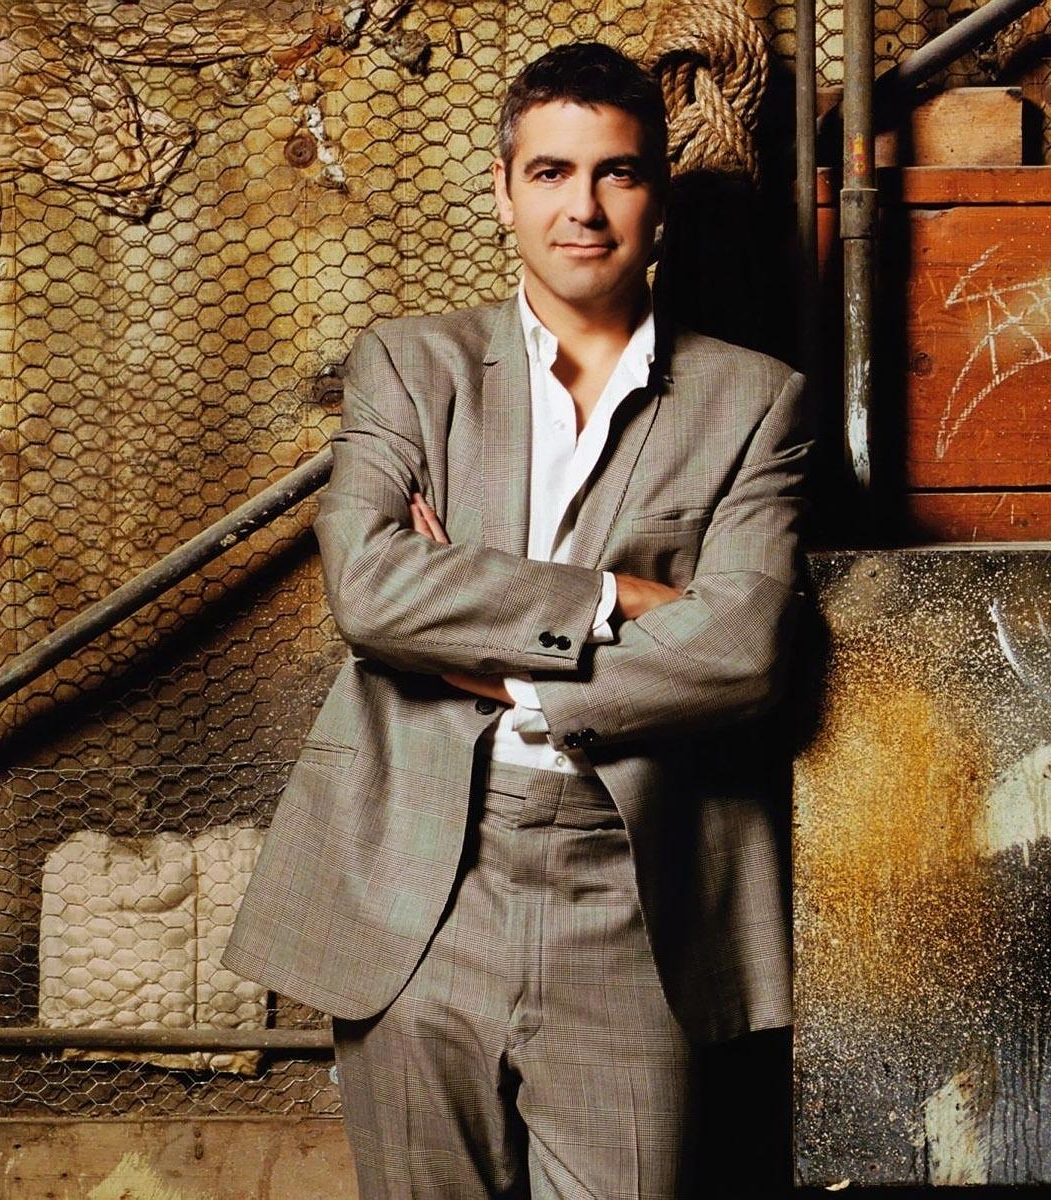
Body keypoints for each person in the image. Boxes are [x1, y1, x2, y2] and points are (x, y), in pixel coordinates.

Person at [224, 41, 812, 1199]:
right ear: (502, 192)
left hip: (633, 892)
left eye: (615, 173)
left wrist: (503, 666)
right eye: (549, 173)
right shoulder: (411, 368)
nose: (581, 208)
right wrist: (609, 599)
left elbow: (744, 652)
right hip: (418, 882)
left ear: (657, 199)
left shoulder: (755, 402)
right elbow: (372, 590)